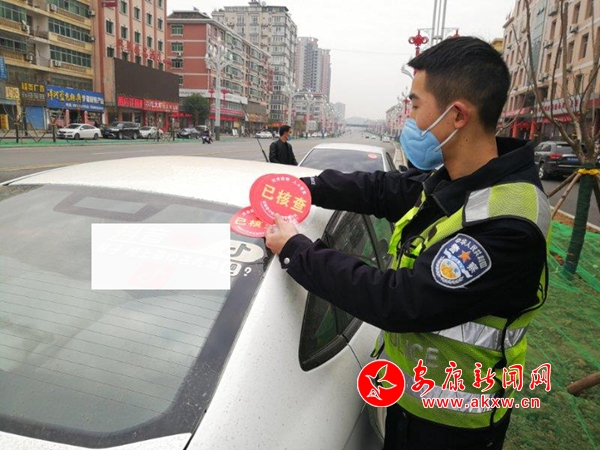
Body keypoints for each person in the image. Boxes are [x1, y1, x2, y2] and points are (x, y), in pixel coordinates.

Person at [266, 37, 550, 449]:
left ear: (457, 115)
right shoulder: (458, 180)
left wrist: (296, 249)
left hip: (453, 426)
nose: (410, 119)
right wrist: (302, 188)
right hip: (409, 400)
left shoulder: (507, 225)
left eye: (416, 106)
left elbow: (399, 301)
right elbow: (383, 190)